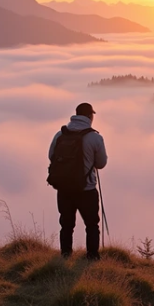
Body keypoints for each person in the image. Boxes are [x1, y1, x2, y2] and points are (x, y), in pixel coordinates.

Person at [48, 102, 108, 260]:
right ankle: (92, 257)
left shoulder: (60, 134)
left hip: (64, 188)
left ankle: (65, 255)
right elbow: (101, 163)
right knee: (91, 224)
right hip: (86, 189)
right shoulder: (95, 137)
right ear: (89, 116)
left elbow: (51, 156)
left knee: (66, 224)